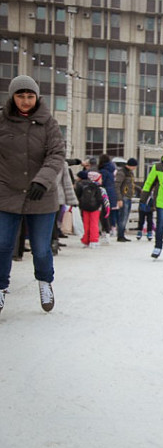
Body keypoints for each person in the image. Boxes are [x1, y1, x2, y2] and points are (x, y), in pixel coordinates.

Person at [0, 75, 65, 315]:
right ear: (12, 96)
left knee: (40, 248)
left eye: (30, 96)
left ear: (37, 97)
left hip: (41, 195)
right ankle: (0, 287)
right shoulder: (2, 121)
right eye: (20, 96)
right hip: (6, 193)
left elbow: (56, 154)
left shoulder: (49, 124)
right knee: (2, 245)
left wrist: (43, 180)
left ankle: (45, 282)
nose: (25, 101)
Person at [74, 171, 110, 249]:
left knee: (86, 224)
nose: (101, 180)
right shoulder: (99, 188)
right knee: (94, 224)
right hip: (95, 208)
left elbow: (78, 196)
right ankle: (94, 240)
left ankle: (86, 241)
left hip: (85, 208)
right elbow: (102, 199)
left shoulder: (83, 186)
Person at [114, 157, 137, 242]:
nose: (135, 168)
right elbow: (117, 186)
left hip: (128, 196)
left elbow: (131, 184)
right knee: (123, 217)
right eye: (134, 166)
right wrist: (119, 198)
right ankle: (120, 235)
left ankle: (122, 234)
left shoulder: (130, 173)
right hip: (124, 197)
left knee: (125, 217)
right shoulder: (122, 172)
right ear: (131, 165)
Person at [97, 154, 118, 243]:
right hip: (112, 192)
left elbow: (101, 183)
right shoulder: (111, 170)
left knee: (104, 214)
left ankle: (105, 232)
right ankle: (111, 230)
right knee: (110, 212)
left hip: (104, 193)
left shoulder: (103, 171)